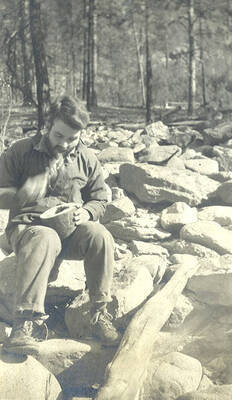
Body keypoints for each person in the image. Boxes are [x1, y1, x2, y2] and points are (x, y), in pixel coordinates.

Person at [0, 95, 120, 354]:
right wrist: (23, 193)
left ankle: (98, 313)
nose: (65, 144)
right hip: (27, 229)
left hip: (70, 230)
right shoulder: (21, 151)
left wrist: (88, 212)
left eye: (72, 138)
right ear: (47, 126)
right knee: (46, 238)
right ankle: (25, 323)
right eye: (59, 136)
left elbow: (100, 198)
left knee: (100, 235)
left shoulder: (87, 158)